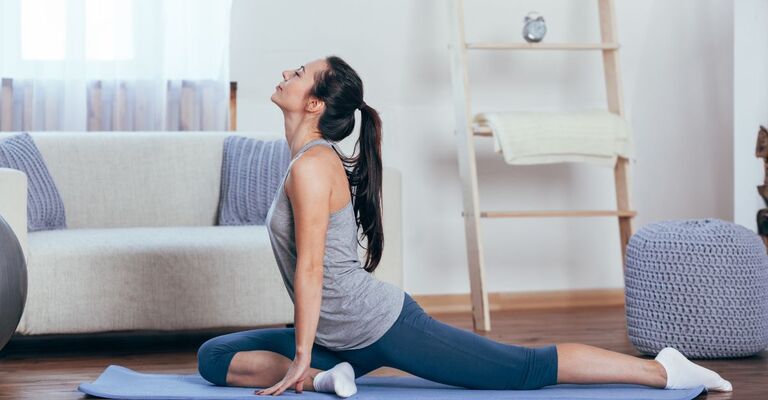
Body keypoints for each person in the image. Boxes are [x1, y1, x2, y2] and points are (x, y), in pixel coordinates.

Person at [196, 56, 733, 397]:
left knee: (520, 370)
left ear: (313, 103)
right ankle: (324, 381)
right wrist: (307, 360)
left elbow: (310, 268)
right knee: (214, 355)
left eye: (299, 73)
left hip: (381, 326)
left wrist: (301, 351)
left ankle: (664, 371)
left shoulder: (313, 166)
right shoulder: (302, 160)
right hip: (339, 339)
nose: (286, 72)